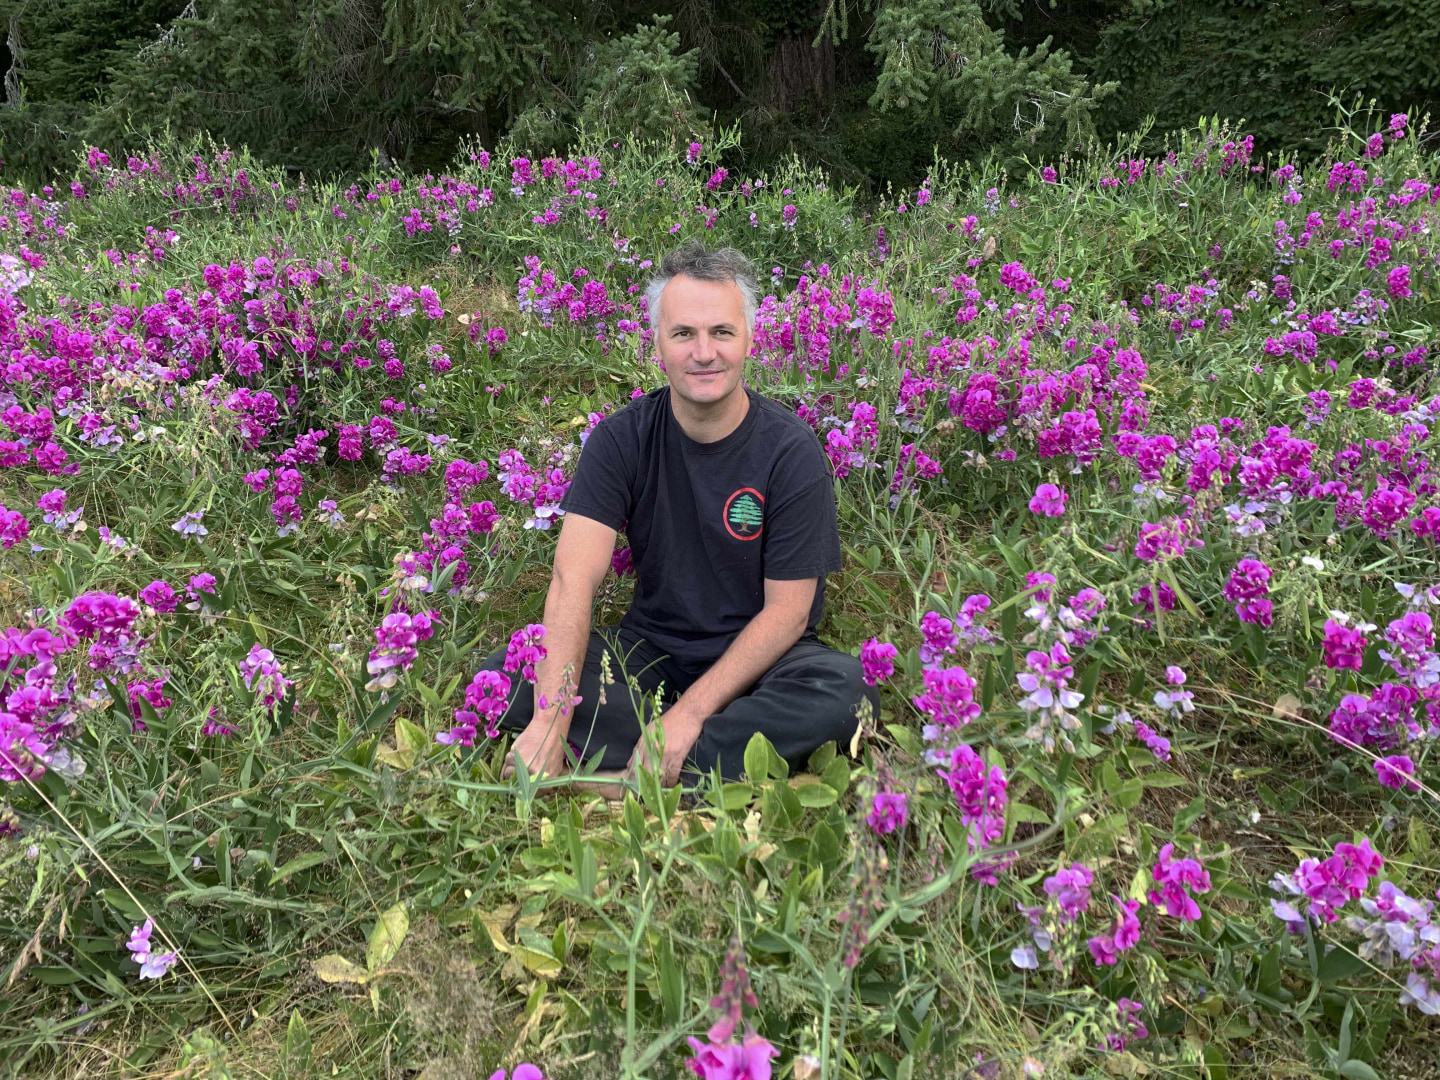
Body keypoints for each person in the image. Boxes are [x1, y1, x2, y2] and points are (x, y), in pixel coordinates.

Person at [481, 241, 876, 790]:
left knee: (848, 688)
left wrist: (689, 714)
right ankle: (707, 762)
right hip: (650, 653)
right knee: (508, 669)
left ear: (749, 340)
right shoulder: (620, 439)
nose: (704, 352)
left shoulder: (792, 450)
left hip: (762, 664)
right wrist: (552, 715)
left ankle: (628, 771)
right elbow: (573, 576)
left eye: (721, 332)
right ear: (658, 344)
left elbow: (788, 614)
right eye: (684, 333)